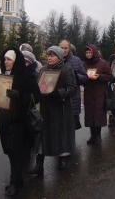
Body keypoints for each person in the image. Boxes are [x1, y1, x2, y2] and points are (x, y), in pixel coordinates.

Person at [0, 48, 40, 197]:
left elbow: (36, 95)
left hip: (19, 120)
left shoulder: (26, 77)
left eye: (8, 59)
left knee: (16, 150)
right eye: (5, 59)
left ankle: (14, 182)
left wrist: (20, 95)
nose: (5, 62)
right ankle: (18, 178)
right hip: (4, 119)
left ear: (15, 62)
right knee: (9, 150)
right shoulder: (2, 77)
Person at [30, 46, 77, 175]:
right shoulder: (43, 70)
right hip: (45, 108)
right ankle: (39, 164)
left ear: (60, 57)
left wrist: (59, 93)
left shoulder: (66, 70)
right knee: (42, 135)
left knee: (59, 134)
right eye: (48, 55)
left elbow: (73, 88)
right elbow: (38, 86)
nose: (49, 58)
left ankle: (62, 158)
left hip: (60, 108)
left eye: (53, 55)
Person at [83, 44, 113, 144]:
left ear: (94, 52)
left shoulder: (103, 63)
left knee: (98, 114)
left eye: (90, 52)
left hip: (100, 93)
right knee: (90, 115)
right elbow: (81, 77)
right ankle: (92, 135)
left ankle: (98, 136)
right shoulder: (84, 64)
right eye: (86, 53)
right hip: (88, 93)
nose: (88, 54)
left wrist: (99, 76)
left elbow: (109, 76)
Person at [59, 40, 88, 130]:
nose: (63, 50)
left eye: (66, 48)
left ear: (70, 48)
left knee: (71, 125)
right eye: (61, 48)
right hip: (59, 96)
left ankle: (70, 143)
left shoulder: (76, 60)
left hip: (73, 98)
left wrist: (76, 76)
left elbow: (84, 77)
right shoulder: (55, 59)